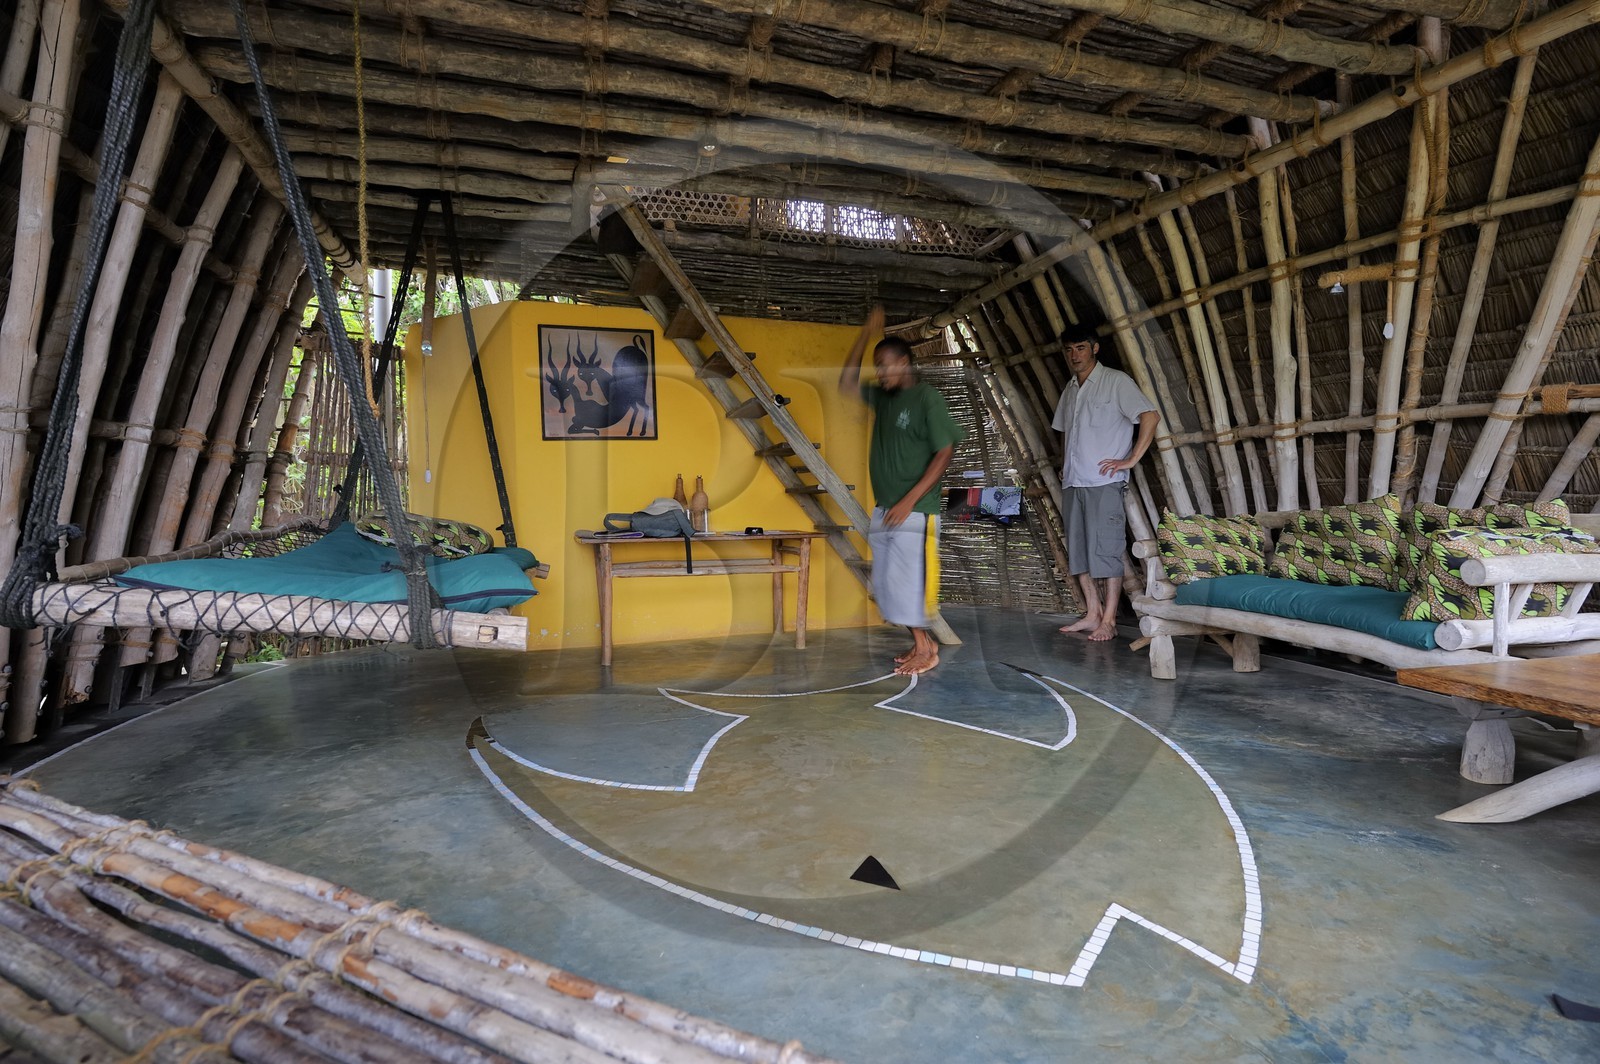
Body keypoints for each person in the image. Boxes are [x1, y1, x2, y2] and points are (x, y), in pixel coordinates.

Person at [839, 306, 964, 675]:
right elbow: (846, 382)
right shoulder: (884, 397)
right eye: (876, 365)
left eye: (886, 364)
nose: (880, 372)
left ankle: (929, 649)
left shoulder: (927, 398)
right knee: (889, 586)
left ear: (905, 363)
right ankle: (921, 644)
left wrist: (910, 500)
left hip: (916, 510)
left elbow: (945, 452)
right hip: (886, 509)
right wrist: (865, 334)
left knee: (912, 585)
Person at [1052, 319, 1159, 642]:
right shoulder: (1071, 389)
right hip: (1074, 482)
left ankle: (1109, 620)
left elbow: (1149, 416)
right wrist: (1064, 463)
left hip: (1104, 483)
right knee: (1080, 552)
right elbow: (1065, 431)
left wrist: (1131, 459)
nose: (1075, 355)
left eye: (1081, 347)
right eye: (1069, 349)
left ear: (1095, 348)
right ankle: (1093, 613)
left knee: (1107, 551)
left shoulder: (1115, 381)